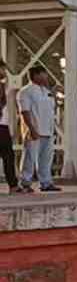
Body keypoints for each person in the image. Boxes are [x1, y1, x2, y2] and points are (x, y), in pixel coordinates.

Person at [17, 66, 59, 193]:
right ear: (36, 75)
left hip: (48, 130)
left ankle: (46, 183)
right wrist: (31, 128)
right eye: (44, 74)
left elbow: (51, 111)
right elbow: (25, 111)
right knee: (29, 157)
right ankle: (25, 183)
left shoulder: (47, 91)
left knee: (46, 158)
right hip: (34, 130)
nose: (46, 77)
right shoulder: (25, 91)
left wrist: (54, 128)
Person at [0, 62, 17, 193]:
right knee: (8, 156)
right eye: (3, 69)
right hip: (1, 126)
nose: (5, 72)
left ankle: (13, 185)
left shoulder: (2, 86)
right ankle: (13, 186)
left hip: (3, 126)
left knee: (8, 156)